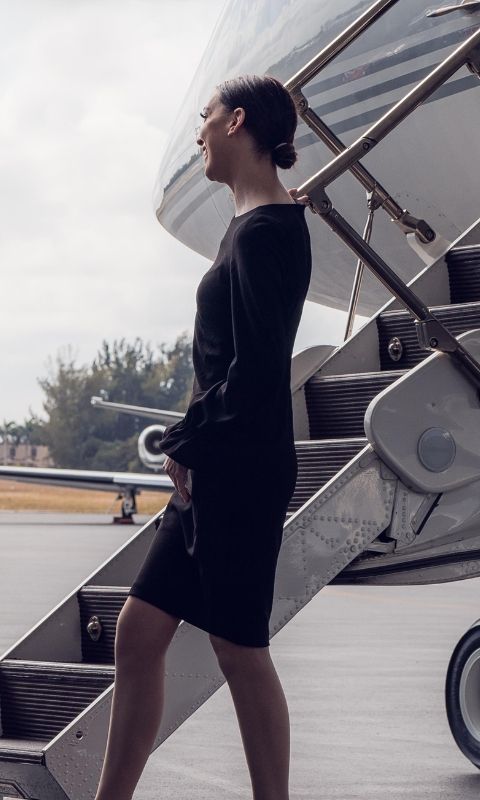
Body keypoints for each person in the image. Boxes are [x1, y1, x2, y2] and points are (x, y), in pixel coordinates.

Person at [94, 74, 312, 800]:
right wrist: (194, 444)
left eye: (206, 117)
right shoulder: (253, 222)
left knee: (240, 647)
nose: (198, 132)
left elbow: (254, 373)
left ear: (237, 121)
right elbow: (224, 360)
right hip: (218, 464)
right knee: (139, 630)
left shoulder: (266, 231)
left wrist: (187, 441)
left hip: (241, 469)